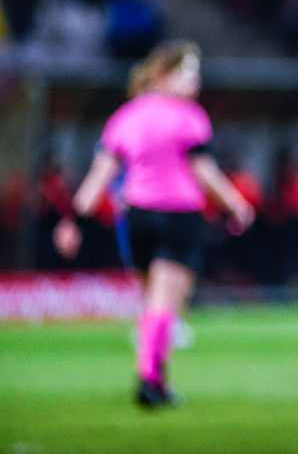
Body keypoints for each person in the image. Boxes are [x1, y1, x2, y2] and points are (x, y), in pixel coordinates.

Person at [62, 40, 254, 406]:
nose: (195, 82)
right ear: (165, 74)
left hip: (135, 218)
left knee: (153, 300)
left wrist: (72, 220)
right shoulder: (189, 116)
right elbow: (204, 171)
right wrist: (235, 204)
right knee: (166, 302)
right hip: (179, 217)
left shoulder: (125, 116)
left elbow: (100, 174)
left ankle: (157, 380)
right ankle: (149, 379)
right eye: (188, 72)